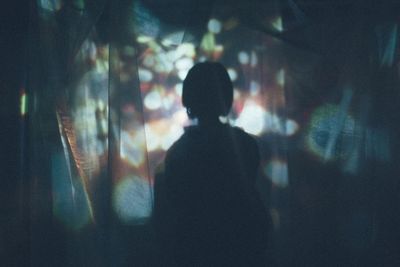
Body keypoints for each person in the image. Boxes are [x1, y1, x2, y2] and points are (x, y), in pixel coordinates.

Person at [153, 62, 269, 266]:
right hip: (243, 249)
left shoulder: (178, 152)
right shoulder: (246, 145)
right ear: (226, 97)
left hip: (196, 252)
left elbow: (171, 215)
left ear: (188, 99)